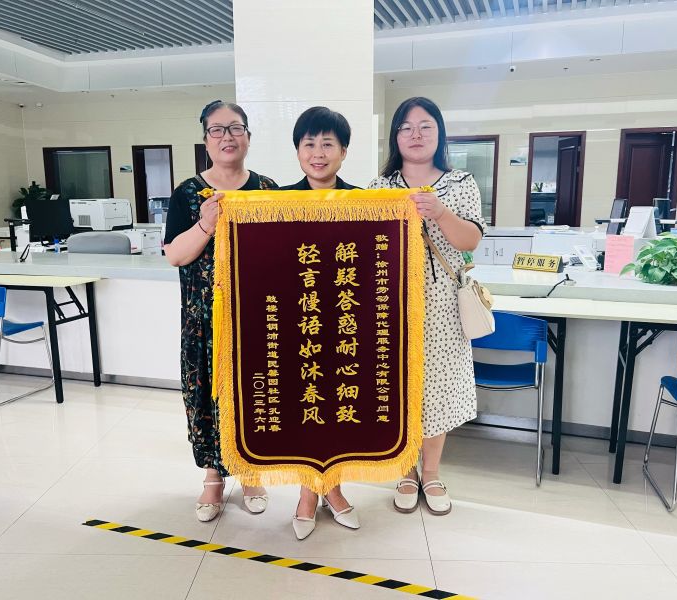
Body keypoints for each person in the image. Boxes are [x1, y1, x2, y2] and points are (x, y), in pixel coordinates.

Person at [369, 96, 486, 516]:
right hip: (389, 304)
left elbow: (471, 240)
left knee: (437, 389)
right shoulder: (379, 188)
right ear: (395, 137)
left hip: (441, 305)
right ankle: (405, 470)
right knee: (397, 387)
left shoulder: (461, 183)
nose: (415, 135)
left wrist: (438, 211)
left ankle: (431, 473)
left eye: (425, 126)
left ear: (440, 134)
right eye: (406, 127)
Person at [164, 100, 278, 523]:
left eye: (235, 128)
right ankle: (213, 477)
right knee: (207, 396)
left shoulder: (268, 190)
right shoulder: (187, 193)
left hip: (256, 321)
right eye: (217, 129)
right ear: (206, 139)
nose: (227, 137)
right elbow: (175, 255)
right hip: (204, 321)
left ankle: (249, 471)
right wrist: (206, 224)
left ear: (248, 136)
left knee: (253, 394)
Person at [279, 106, 360, 539]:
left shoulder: (366, 204)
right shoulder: (275, 204)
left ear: (343, 152)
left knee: (340, 411)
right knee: (305, 409)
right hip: (297, 324)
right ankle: (309, 493)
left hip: (347, 323)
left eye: (328, 144)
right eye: (309, 143)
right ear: (297, 151)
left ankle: (333, 487)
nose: (318, 152)